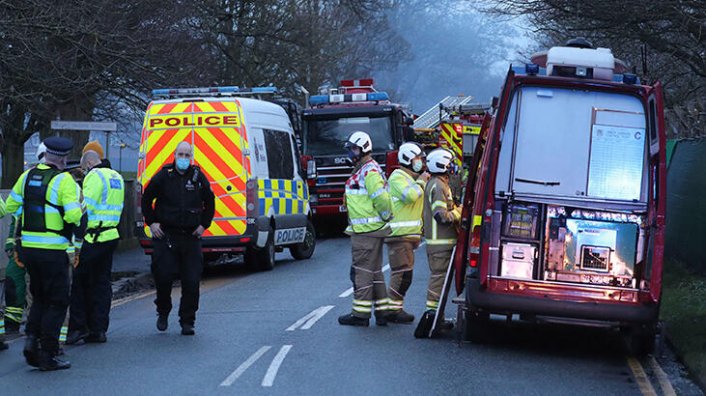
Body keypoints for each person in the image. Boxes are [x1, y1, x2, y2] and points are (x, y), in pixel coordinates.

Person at [5, 136, 84, 370]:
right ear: (63, 158)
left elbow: (9, 207)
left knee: (38, 298)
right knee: (57, 302)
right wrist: (80, 208)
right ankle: (48, 353)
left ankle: (31, 340)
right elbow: (73, 217)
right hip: (53, 252)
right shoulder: (64, 181)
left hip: (28, 251)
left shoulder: (26, 177)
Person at [141, 141, 214, 336]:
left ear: (191, 157)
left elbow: (210, 201)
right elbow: (146, 198)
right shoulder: (164, 176)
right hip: (166, 236)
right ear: (174, 155)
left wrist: (203, 225)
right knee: (163, 277)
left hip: (190, 237)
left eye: (187, 155)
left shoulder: (198, 177)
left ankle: (187, 321)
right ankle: (163, 311)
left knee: (191, 281)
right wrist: (152, 222)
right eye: (180, 154)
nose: (183, 158)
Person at [66, 149, 124, 344]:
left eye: (84, 169)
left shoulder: (94, 176)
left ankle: (78, 328)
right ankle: (98, 330)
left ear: (88, 164)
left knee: (80, 284)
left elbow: (84, 209)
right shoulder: (116, 176)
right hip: (111, 236)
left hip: (92, 238)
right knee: (101, 284)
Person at [338, 131, 393, 327]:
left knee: (360, 271)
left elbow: (382, 198)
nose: (351, 153)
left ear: (363, 149)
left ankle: (360, 315)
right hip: (371, 230)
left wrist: (387, 216)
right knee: (375, 272)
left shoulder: (369, 171)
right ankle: (382, 312)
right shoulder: (365, 169)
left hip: (366, 232)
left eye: (353, 149)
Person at [415, 148, 461, 338]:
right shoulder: (438, 186)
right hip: (441, 244)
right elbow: (441, 216)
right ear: (442, 165)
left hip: (441, 243)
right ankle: (433, 318)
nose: (452, 167)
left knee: (441, 282)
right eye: (449, 163)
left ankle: (438, 320)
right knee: (438, 281)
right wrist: (459, 212)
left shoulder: (438, 184)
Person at [3, 143, 46, 334]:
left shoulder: (31, 180)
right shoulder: (28, 180)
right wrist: (11, 242)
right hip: (28, 243)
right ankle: (13, 322)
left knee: (34, 286)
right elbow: (12, 214)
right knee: (16, 282)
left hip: (36, 245)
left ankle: (35, 326)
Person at [385, 142, 429, 324]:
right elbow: (410, 196)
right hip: (399, 235)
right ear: (407, 159)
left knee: (404, 274)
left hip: (408, 236)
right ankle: (390, 310)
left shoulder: (410, 178)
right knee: (402, 274)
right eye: (418, 159)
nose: (421, 163)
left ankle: (393, 309)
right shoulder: (398, 177)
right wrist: (421, 182)